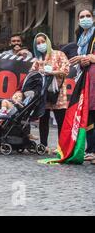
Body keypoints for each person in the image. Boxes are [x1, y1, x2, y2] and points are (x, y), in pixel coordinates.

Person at [31, 33, 70, 150]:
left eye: (42, 41)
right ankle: (44, 146)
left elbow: (66, 70)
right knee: (43, 120)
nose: (41, 44)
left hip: (58, 92)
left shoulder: (59, 54)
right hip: (44, 93)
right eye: (38, 43)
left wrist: (51, 72)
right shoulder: (38, 59)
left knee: (61, 121)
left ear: (47, 42)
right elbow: (32, 73)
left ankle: (62, 147)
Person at [68, 9, 95, 163]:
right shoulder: (81, 38)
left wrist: (87, 57)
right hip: (85, 77)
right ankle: (90, 149)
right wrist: (83, 60)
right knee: (88, 113)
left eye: (88, 16)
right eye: (82, 17)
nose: (85, 19)